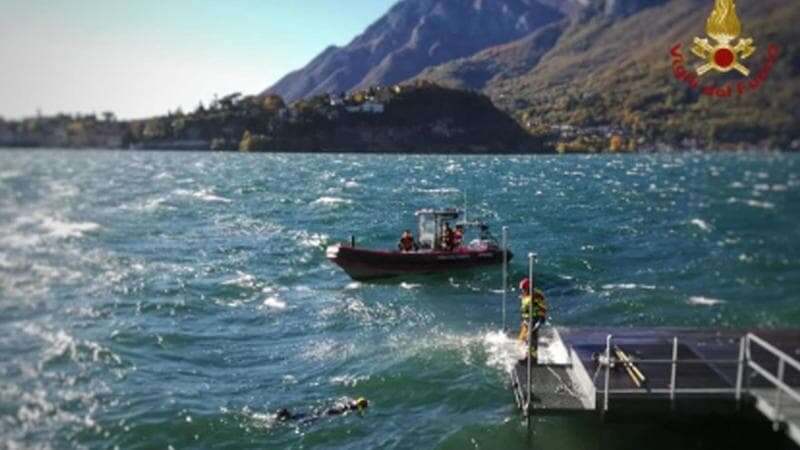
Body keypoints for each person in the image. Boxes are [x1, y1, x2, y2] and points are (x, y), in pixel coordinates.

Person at [517, 278, 547, 363]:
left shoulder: (536, 295)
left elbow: (543, 307)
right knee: (526, 338)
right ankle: (528, 355)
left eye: (524, 289)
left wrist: (540, 319)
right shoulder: (525, 295)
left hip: (534, 319)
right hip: (527, 320)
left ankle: (532, 358)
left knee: (531, 338)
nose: (522, 291)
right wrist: (524, 320)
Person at [276, 397, 369, 424]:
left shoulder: (351, 402)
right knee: (313, 418)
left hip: (331, 409)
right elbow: (358, 413)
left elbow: (345, 400)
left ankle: (289, 415)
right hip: (332, 413)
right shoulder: (355, 408)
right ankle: (290, 417)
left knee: (311, 414)